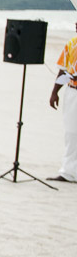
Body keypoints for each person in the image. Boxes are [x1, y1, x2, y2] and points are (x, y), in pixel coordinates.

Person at [49, 20, 77, 182]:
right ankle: (68, 172)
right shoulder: (72, 44)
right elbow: (63, 69)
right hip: (72, 92)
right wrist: (54, 93)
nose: (76, 24)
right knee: (71, 132)